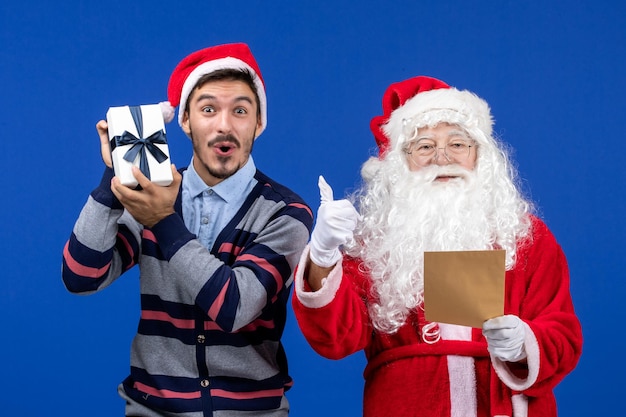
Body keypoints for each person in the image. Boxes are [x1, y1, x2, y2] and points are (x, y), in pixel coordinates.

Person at [291, 76, 582, 417]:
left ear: (481, 156)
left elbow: (563, 333)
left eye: (458, 144)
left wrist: (524, 344)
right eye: (425, 146)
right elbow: (337, 340)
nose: (442, 158)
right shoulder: (374, 243)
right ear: (400, 163)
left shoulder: (526, 236)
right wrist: (323, 256)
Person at [62, 43, 313, 416]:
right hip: (152, 407)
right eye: (208, 109)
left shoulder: (286, 213)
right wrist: (114, 179)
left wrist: (163, 221)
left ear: (259, 123)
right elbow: (82, 277)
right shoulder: (151, 192)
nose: (224, 125)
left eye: (240, 110)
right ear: (185, 121)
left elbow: (233, 307)